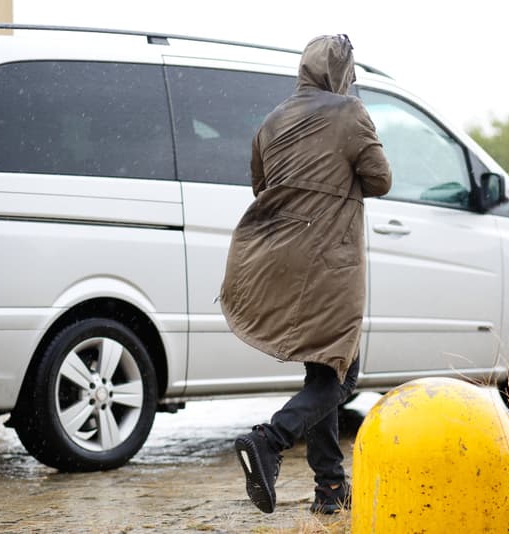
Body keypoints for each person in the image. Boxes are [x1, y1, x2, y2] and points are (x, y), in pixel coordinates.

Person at [219, 34, 392, 515]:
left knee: (322, 366)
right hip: (328, 263)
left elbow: (262, 186)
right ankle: (269, 440)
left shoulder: (272, 121)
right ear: (340, 74)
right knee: (343, 374)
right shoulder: (350, 113)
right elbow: (380, 179)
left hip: (279, 258)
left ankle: (330, 488)